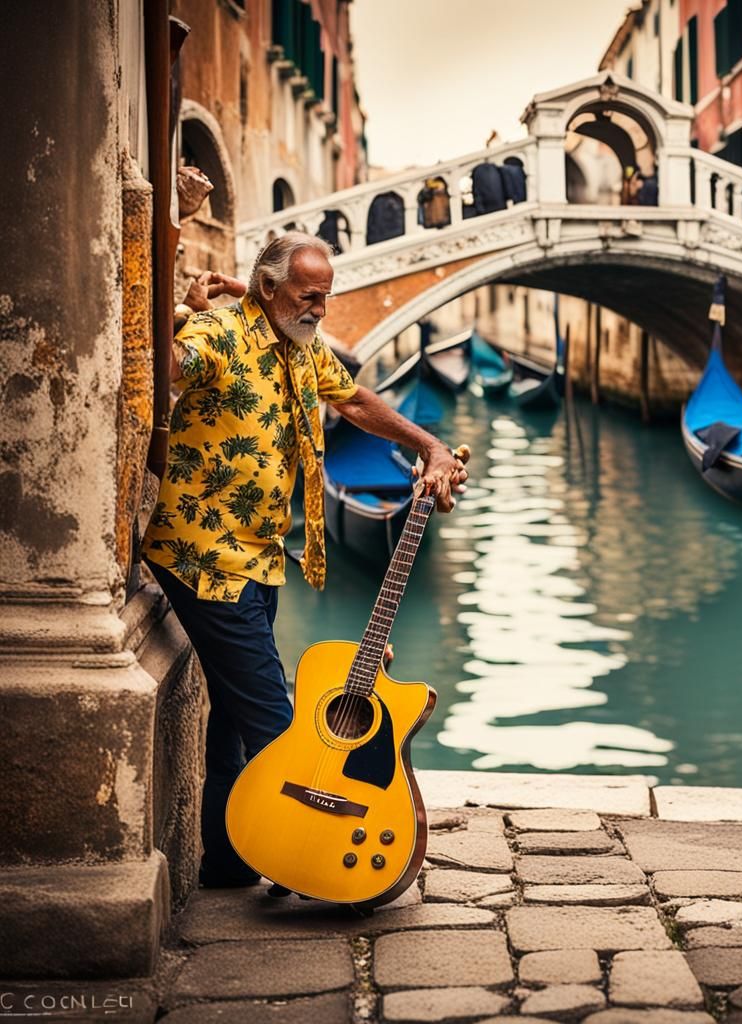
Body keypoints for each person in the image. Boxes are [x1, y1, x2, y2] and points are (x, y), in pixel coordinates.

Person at [142, 231, 467, 889]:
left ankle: (231, 863)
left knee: (235, 721)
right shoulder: (220, 336)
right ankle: (314, 858)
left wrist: (431, 446)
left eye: (325, 297)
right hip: (202, 559)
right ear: (270, 289)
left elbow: (351, 399)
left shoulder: (299, 345)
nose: (320, 308)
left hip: (260, 559)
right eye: (309, 296)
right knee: (277, 725)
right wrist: (178, 309)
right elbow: (166, 364)